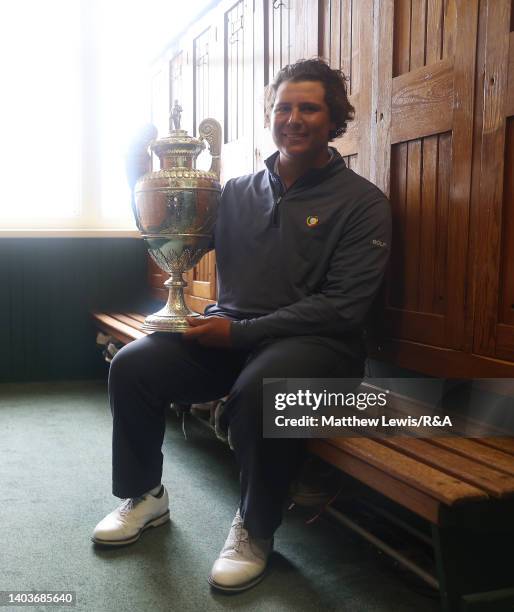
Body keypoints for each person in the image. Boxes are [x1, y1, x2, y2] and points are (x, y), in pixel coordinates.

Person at [92, 58, 391, 593]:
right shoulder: (233, 193)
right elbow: (170, 234)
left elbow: (343, 307)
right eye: (283, 107)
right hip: (229, 333)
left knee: (261, 391)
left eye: (308, 108)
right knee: (135, 365)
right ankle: (144, 497)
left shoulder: (363, 203)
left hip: (319, 349)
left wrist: (241, 334)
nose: (293, 119)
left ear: (334, 118)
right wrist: (134, 169)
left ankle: (254, 529)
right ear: (270, 116)